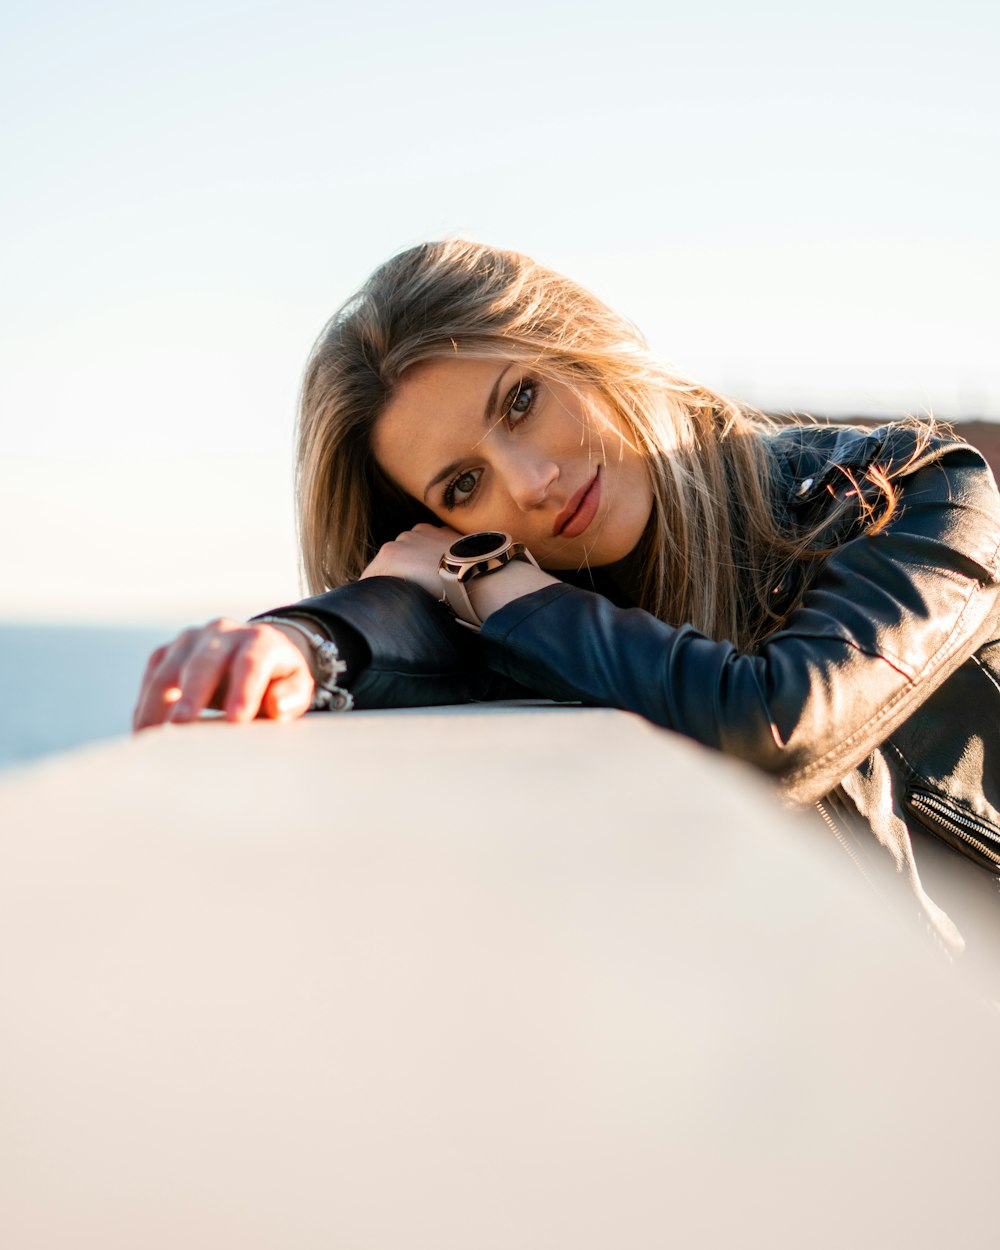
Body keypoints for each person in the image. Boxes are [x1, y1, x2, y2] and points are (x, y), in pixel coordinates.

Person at [133, 239, 1000, 952]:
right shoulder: (538, 584)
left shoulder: (913, 489)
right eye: (464, 485)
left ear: (579, 343)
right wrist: (304, 645)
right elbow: (411, 609)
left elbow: (782, 720)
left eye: (521, 402)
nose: (534, 482)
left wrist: (490, 574)